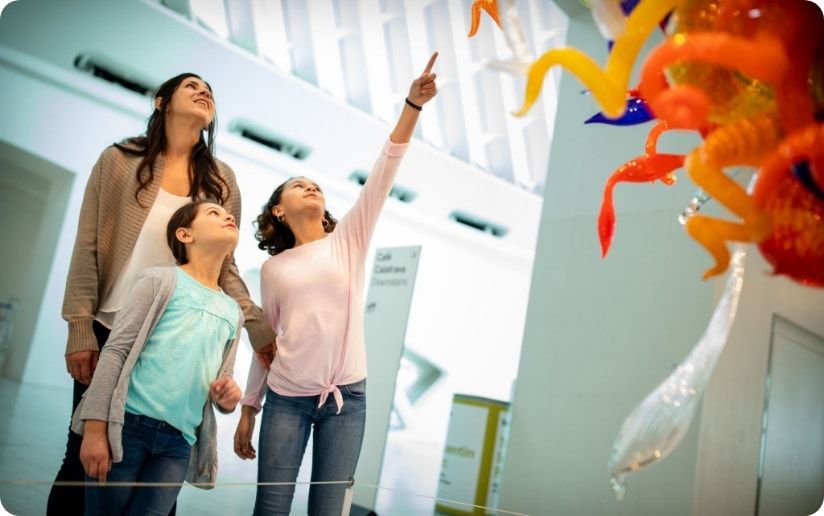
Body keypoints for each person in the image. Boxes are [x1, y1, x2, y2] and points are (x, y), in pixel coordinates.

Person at [50, 73, 276, 515]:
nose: (203, 90)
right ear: (161, 102)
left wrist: (256, 324)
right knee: (84, 456)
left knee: (161, 473)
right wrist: (79, 326)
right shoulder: (118, 160)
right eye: (191, 85)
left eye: (209, 88)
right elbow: (88, 246)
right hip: (109, 327)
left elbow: (223, 267)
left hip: (175, 337)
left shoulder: (221, 180)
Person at [234, 52, 439, 515]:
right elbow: (266, 341)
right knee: (271, 505)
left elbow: (385, 170)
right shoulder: (274, 268)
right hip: (287, 397)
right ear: (278, 211)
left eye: (316, 186)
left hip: (348, 396)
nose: (312, 188)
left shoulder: (348, 238)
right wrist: (249, 408)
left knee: (329, 509)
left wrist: (412, 105)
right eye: (298, 185)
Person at [76, 200, 244, 514]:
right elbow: (115, 352)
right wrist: (96, 429)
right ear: (185, 235)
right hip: (126, 429)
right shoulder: (159, 281)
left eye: (228, 214)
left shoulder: (233, 312)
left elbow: (223, 387)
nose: (228, 216)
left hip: (178, 444)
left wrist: (229, 397)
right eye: (214, 213)